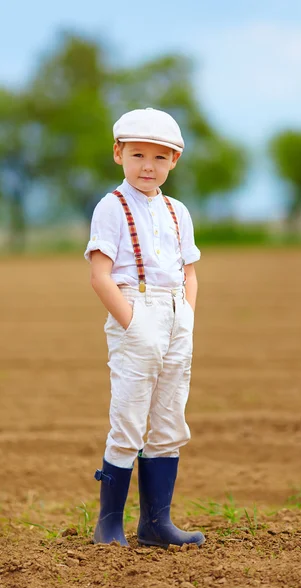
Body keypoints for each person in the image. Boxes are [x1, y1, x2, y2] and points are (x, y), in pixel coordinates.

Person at [84, 107, 205, 549]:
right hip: (134, 310)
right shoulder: (111, 207)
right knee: (129, 419)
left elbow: (189, 271)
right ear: (118, 153)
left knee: (169, 418)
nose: (148, 166)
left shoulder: (178, 211)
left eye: (159, 157)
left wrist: (186, 316)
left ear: (174, 161)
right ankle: (109, 525)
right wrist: (132, 324)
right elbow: (100, 274)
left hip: (175, 314)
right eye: (137, 155)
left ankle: (157, 523)